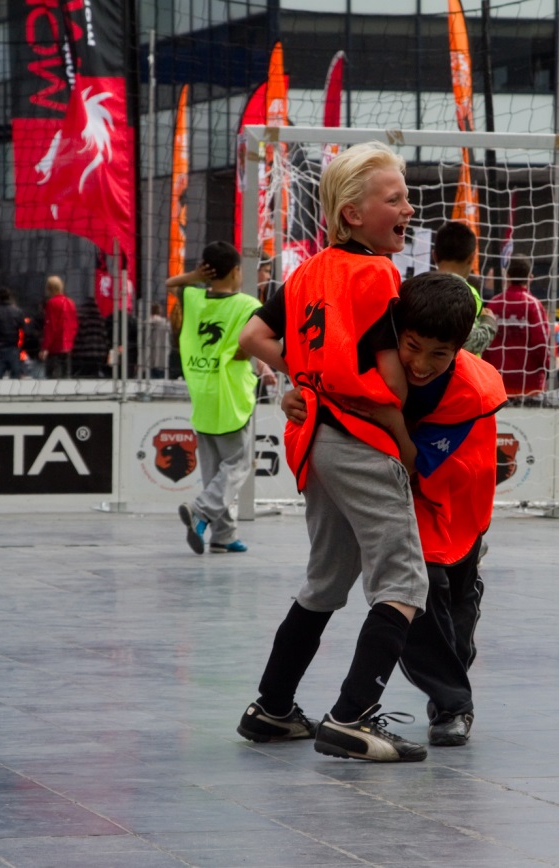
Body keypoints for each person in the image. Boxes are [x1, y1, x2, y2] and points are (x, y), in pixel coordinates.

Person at [236, 141, 430, 762]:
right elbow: (392, 382)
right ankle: (351, 716)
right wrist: (408, 432)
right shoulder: (377, 274)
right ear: (353, 213)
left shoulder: (309, 271)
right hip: (361, 439)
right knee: (403, 581)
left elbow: (252, 336)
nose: (408, 207)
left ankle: (271, 707)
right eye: (395, 198)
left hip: (314, 442)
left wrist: (303, 377)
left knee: (326, 579)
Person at [283, 272, 506, 748]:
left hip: (459, 493)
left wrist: (387, 420)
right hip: (406, 495)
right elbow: (321, 387)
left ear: (459, 349)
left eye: (439, 354)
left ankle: (449, 696)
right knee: (418, 587)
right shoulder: (368, 358)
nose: (421, 364)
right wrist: (300, 400)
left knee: (457, 605)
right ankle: (453, 704)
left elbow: (412, 459)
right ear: (394, 334)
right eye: (412, 346)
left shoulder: (471, 392)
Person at [166, 241, 266, 555]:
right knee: (238, 464)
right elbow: (247, 347)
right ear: (236, 270)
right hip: (230, 395)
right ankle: (200, 510)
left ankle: (223, 535)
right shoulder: (247, 305)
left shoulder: (193, 297)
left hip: (202, 392)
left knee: (213, 471)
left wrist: (194, 276)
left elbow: (171, 283)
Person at [482, 255, 550, 400]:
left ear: (507, 275)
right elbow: (541, 343)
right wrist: (548, 369)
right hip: (529, 384)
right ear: (530, 277)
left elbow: (486, 344)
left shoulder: (493, 304)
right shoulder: (533, 305)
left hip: (498, 383)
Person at [432, 220, 499, 356]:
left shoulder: (416, 286)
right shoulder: (466, 292)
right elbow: (468, 343)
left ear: (434, 256)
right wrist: (489, 322)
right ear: (472, 258)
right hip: (458, 368)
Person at [40, 275, 78, 379]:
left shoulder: (51, 303)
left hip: (55, 346)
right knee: (66, 376)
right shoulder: (70, 302)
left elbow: (50, 326)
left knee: (52, 378)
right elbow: (74, 324)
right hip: (67, 345)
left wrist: (45, 347)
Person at [0, 289, 24, 380]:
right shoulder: (17, 311)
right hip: (13, 347)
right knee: (16, 379)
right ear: (9, 297)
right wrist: (21, 347)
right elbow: (24, 330)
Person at [72, 295, 109, 378]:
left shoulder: (83, 319)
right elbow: (104, 337)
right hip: (99, 353)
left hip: (85, 353)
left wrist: (75, 350)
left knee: (85, 374)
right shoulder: (101, 320)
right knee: (95, 373)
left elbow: (79, 336)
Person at [140, 302, 171, 379]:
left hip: (148, 359)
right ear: (160, 312)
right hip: (162, 358)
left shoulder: (144, 324)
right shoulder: (166, 324)